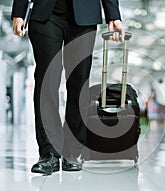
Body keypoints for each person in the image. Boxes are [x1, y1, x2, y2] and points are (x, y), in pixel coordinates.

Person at [11, 0, 125, 174]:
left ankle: (73, 152)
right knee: (46, 81)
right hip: (46, 14)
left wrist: (113, 15)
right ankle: (49, 152)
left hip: (84, 16)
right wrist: (19, 11)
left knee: (79, 82)